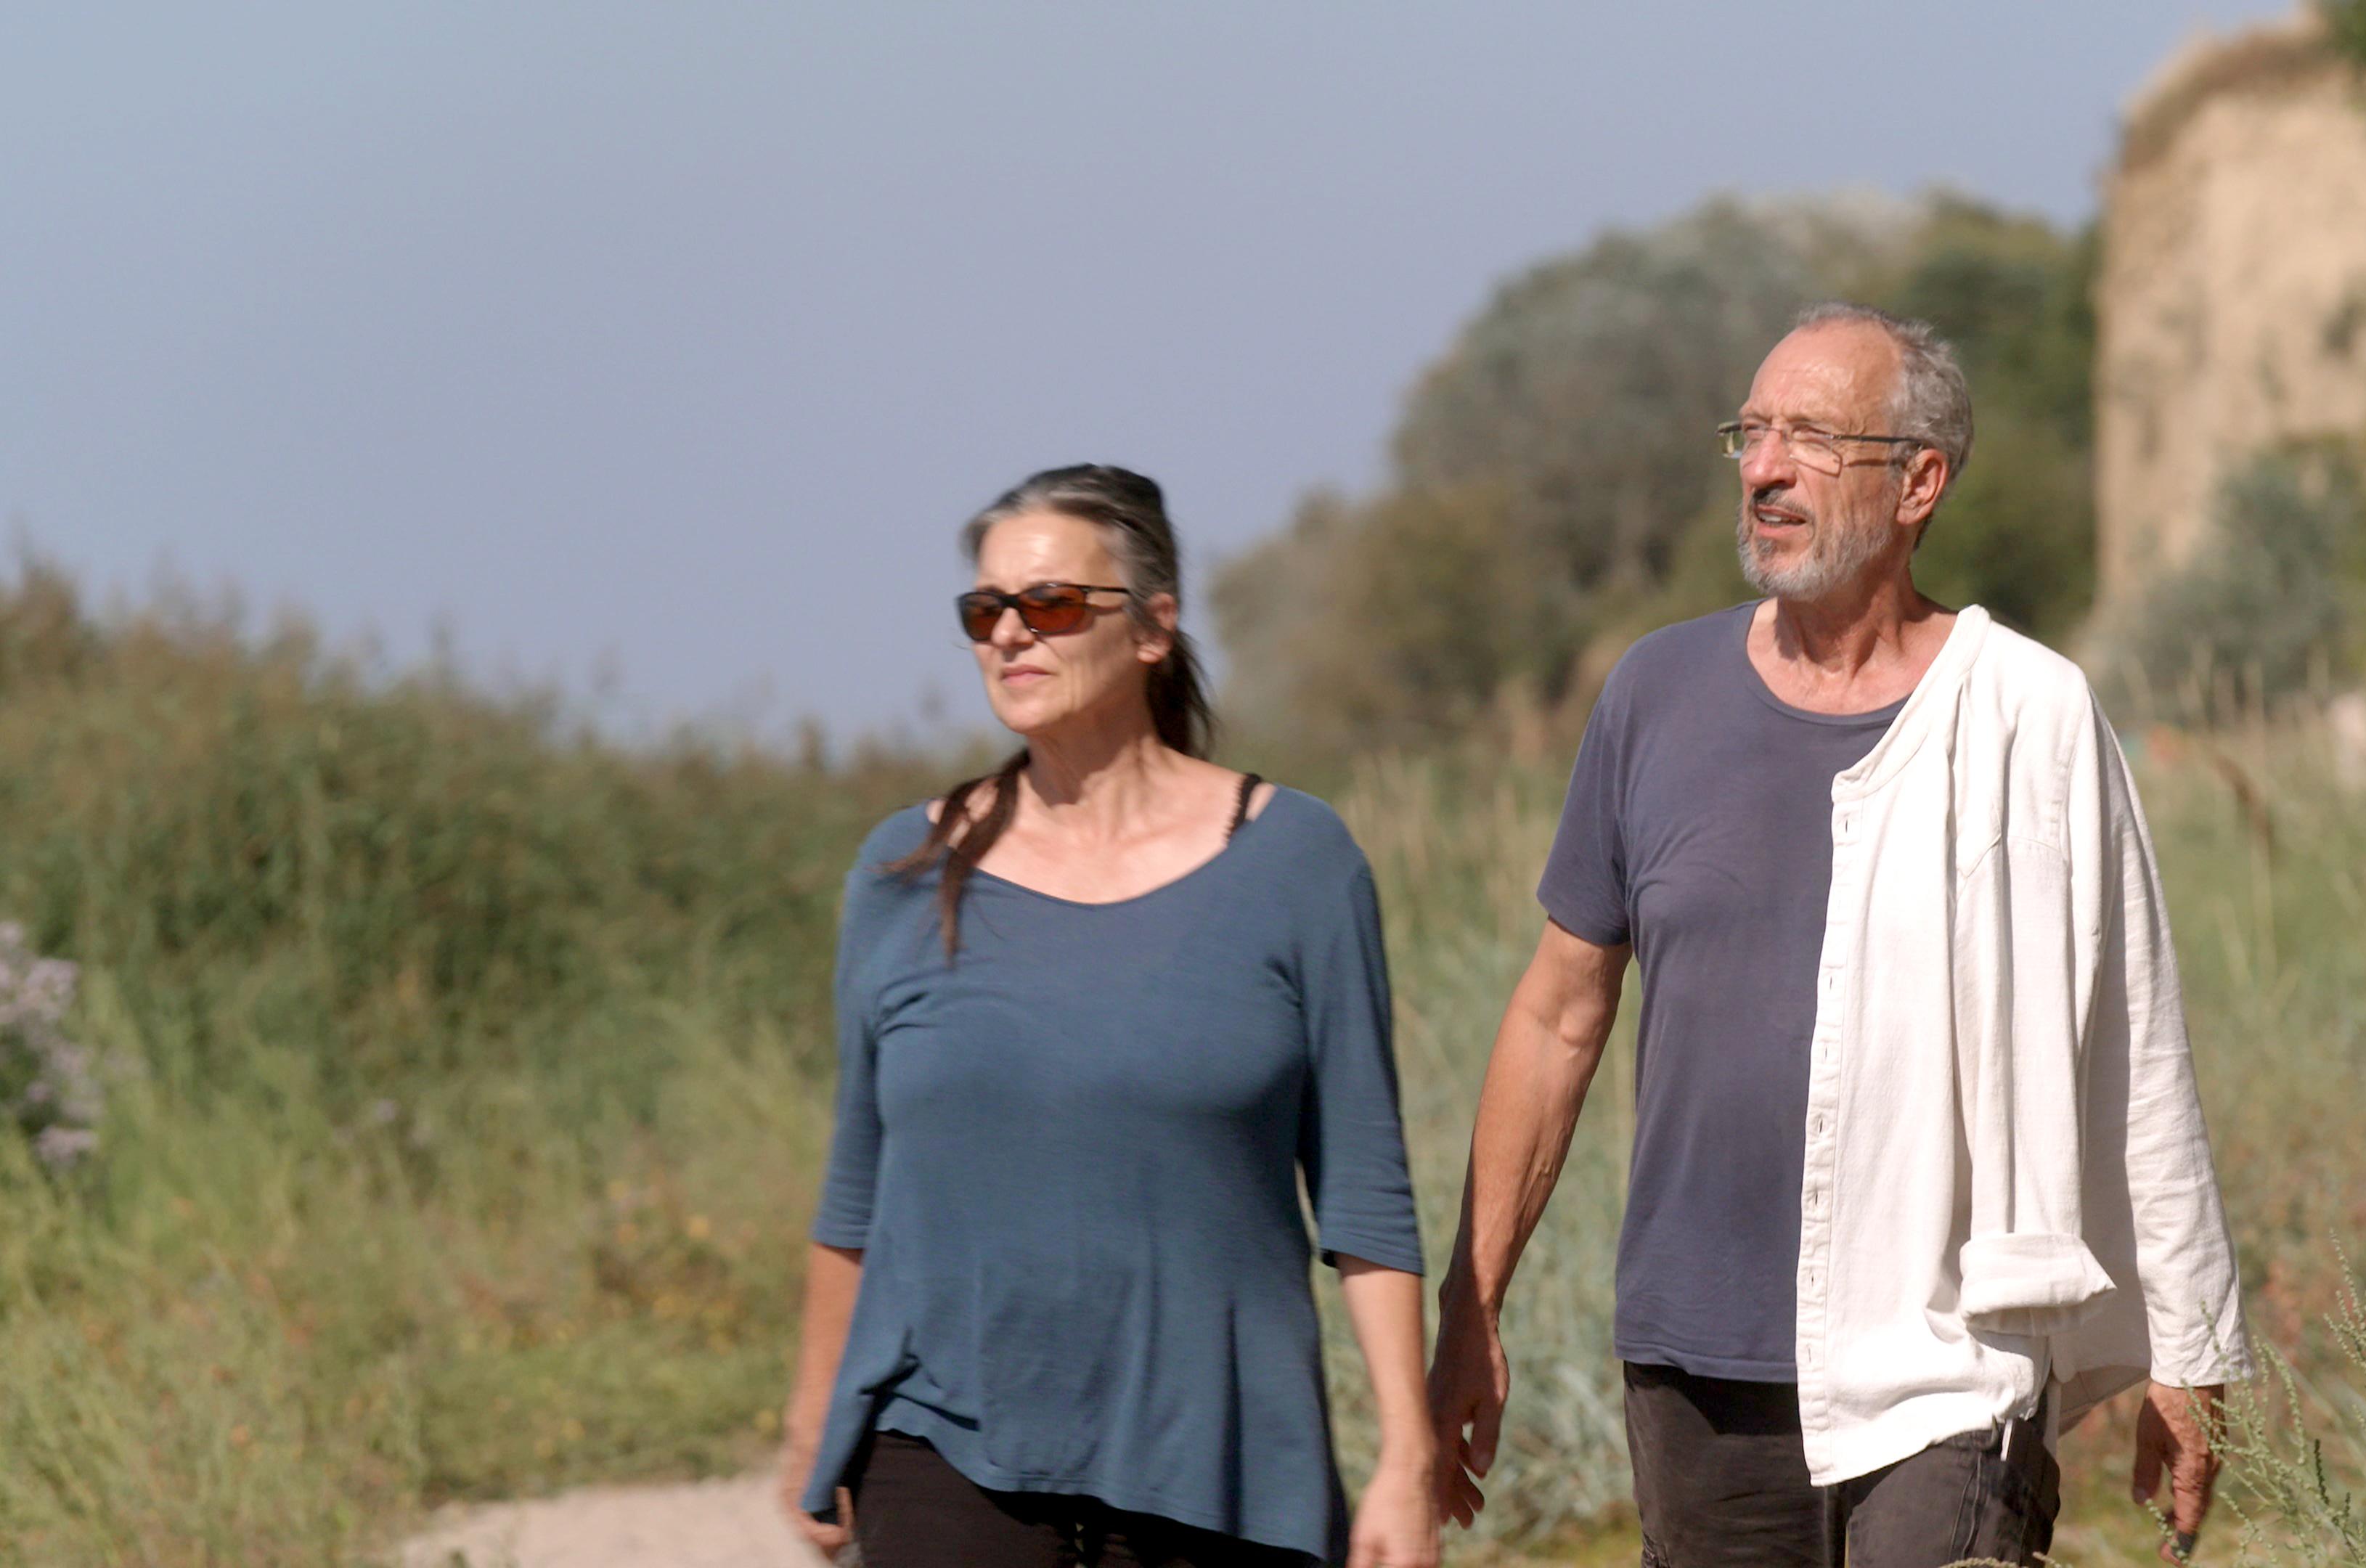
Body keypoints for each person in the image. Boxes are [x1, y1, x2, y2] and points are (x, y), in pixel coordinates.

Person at [1424, 306, 2252, 1567]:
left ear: (1920, 480)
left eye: (1811, 438)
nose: (1763, 470)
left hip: (1951, 1353)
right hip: (1693, 1364)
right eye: (1751, 434)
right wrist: (1471, 1305)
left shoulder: (2029, 714)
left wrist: (2189, 1345)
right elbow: (1557, 1014)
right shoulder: (1656, 694)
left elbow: (2131, 1033)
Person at [779, 465, 1441, 1568]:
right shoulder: (904, 871)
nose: (1009, 636)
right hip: (939, 1450)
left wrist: (1406, 1464)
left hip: (1222, 1464)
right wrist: (814, 1427)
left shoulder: (1295, 864)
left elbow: (1366, 1199)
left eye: (1048, 606)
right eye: (984, 612)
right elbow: (859, 1186)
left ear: (1153, 630)